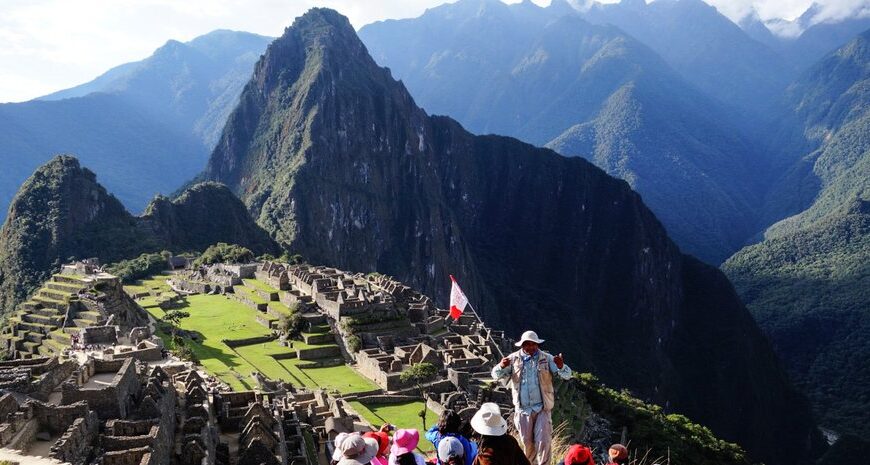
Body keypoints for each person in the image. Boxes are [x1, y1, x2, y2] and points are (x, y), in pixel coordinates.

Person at [491, 330, 572, 465]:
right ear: (522, 345)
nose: (530, 347)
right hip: (523, 410)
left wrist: (561, 366)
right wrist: (501, 366)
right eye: (527, 344)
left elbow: (567, 375)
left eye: (533, 344)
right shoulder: (513, 359)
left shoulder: (546, 359)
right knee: (527, 443)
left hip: (542, 408)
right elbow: (495, 375)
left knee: (543, 442)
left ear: (537, 344)